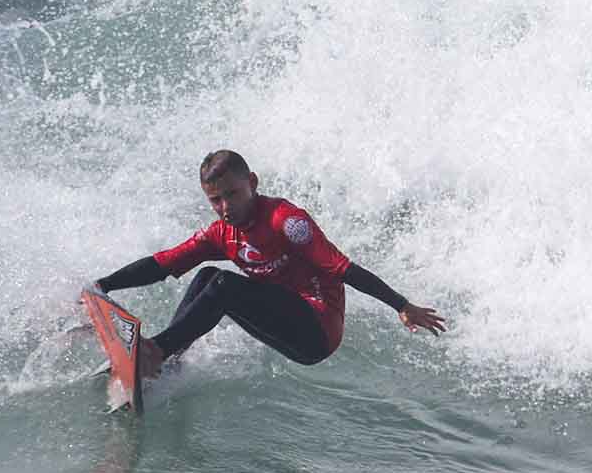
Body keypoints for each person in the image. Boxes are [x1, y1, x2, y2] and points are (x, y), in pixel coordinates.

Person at [94, 149, 446, 377]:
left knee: (223, 285)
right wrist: (103, 286)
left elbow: (343, 269)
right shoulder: (223, 234)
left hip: (317, 330)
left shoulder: (286, 221)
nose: (225, 207)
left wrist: (402, 305)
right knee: (206, 276)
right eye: (215, 200)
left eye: (232, 194)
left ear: (252, 183)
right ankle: (168, 360)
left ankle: (156, 352)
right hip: (284, 320)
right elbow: (163, 263)